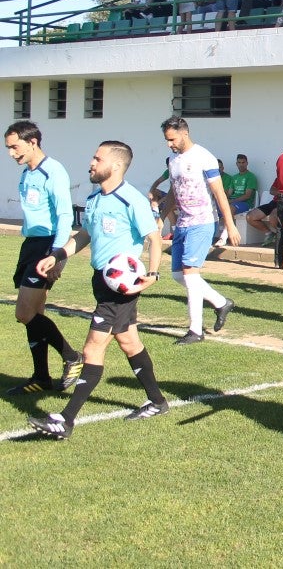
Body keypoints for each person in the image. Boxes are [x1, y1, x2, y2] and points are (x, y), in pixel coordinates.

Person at [27, 141, 168, 439]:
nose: (91, 162)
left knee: (92, 348)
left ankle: (65, 420)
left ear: (115, 165)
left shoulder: (131, 199)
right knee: (129, 342)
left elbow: (154, 239)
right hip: (100, 282)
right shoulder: (94, 198)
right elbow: (85, 235)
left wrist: (153, 273)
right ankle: (157, 401)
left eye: (97, 158)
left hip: (121, 287)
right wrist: (57, 255)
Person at [4, 121, 81, 395]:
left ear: (32, 142)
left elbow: (65, 215)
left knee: (23, 313)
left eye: (15, 147)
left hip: (47, 247)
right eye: (8, 148)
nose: (11, 153)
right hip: (31, 245)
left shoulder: (53, 171)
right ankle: (41, 377)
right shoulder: (27, 173)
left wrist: (57, 255)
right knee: (34, 314)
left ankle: (72, 357)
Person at [159, 116, 238, 345]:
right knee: (178, 275)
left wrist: (230, 224)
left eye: (172, 139)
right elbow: (173, 191)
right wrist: (162, 217)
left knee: (190, 274)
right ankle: (221, 303)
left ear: (184, 133)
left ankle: (195, 331)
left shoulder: (204, 157)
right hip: (183, 223)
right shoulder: (173, 161)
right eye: (166, 140)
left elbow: (219, 193)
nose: (169, 144)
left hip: (202, 222)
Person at [247, 134, 283, 270]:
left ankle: (278, 261)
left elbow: (279, 178)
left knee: (280, 230)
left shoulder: (281, 158)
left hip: (281, 198)